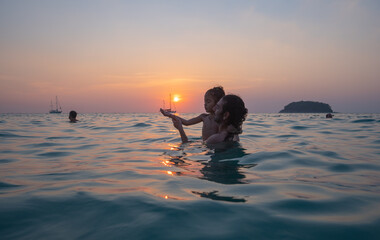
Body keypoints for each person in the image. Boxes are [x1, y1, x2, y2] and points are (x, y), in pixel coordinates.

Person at [172, 94, 247, 144]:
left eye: (217, 107)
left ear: (225, 115)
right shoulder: (235, 137)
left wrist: (180, 129)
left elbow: (187, 145)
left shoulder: (215, 139)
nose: (214, 109)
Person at [160, 86, 225, 140]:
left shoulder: (221, 119)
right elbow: (186, 122)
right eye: (205, 102)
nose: (205, 104)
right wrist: (170, 115)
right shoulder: (203, 117)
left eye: (208, 102)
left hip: (216, 145)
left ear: (218, 103)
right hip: (205, 145)